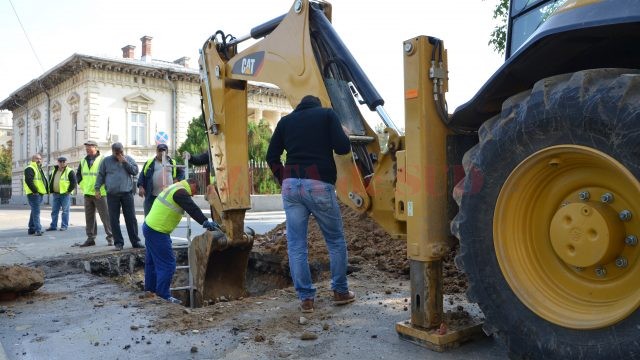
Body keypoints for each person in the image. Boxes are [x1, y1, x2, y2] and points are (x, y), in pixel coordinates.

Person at [266, 94, 355, 313]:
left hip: (291, 185)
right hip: (318, 183)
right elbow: (343, 148)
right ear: (317, 105)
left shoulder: (285, 122)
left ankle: (306, 299)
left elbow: (271, 156)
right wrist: (344, 134)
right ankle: (340, 291)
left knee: (296, 245)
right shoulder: (327, 115)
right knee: (334, 240)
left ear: (299, 106)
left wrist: (283, 178)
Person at [143, 178, 221, 303]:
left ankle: (150, 291)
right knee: (168, 265)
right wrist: (205, 222)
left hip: (150, 227)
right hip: (158, 231)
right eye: (196, 190)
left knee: (152, 262)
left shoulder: (175, 187)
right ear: (192, 184)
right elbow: (192, 208)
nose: (194, 194)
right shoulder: (180, 192)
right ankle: (163, 296)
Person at [95, 142, 144, 251]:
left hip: (127, 193)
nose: (119, 155)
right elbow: (101, 175)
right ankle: (118, 243)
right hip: (112, 194)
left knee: (131, 218)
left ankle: (135, 241)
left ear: (123, 150)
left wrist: (125, 163)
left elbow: (135, 171)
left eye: (121, 152)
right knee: (114, 219)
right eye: (117, 153)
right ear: (113, 152)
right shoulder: (106, 161)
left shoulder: (128, 159)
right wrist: (97, 188)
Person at [76, 140, 114, 247]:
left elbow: (107, 176)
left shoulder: (103, 160)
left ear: (96, 148)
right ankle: (90, 238)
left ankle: (111, 238)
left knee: (105, 217)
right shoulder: (83, 160)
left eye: (90, 146)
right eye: (86, 147)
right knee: (89, 218)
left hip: (100, 193)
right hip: (87, 193)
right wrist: (83, 186)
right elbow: (78, 175)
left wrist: (100, 189)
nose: (87, 148)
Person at [137, 143, 185, 215]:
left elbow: (182, 172)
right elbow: (142, 176)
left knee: (163, 217)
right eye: (160, 151)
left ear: (167, 152)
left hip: (167, 196)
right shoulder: (150, 163)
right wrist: (141, 187)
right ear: (156, 151)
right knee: (149, 216)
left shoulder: (172, 162)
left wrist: (177, 179)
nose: (162, 153)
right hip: (152, 195)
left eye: (164, 151)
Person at [46, 157, 76, 231]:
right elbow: (50, 181)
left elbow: (74, 182)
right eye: (60, 162)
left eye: (64, 162)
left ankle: (64, 226)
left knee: (65, 211)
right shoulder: (54, 171)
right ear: (58, 162)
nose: (62, 163)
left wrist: (68, 191)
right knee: (54, 211)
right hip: (56, 194)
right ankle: (53, 226)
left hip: (65, 194)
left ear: (66, 162)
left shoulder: (70, 171)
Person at [23, 154, 49, 236]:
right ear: (32, 159)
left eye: (40, 159)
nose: (39, 160)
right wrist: (35, 191)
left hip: (38, 193)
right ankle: (38, 229)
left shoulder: (38, 168)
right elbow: (29, 181)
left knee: (34, 211)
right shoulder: (30, 168)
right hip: (34, 194)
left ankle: (31, 229)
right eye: (37, 158)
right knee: (36, 212)